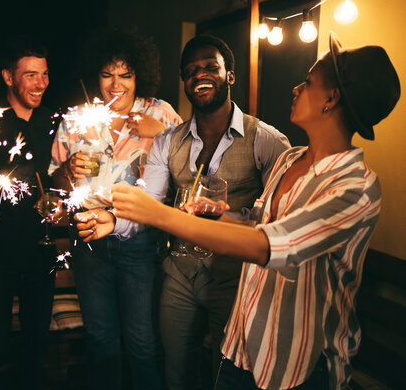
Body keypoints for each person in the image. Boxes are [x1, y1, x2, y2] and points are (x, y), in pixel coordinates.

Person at [83, 33, 400, 390]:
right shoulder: (290, 158)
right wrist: (222, 216)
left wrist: (158, 214)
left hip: (297, 360)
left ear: (332, 98)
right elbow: (259, 223)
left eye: (308, 82)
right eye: (190, 70)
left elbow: (271, 245)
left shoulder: (355, 187)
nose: (296, 88)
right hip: (245, 338)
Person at [75, 34, 290, 389]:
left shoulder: (267, 140)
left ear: (229, 75)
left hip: (233, 279)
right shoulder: (167, 141)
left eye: (210, 67)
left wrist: (231, 218)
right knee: (176, 374)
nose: (200, 75)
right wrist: (113, 220)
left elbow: (277, 220)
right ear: (183, 81)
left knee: (230, 375)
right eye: (191, 71)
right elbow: (151, 201)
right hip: (179, 276)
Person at [49, 29, 182, 390]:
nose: (115, 84)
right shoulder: (76, 119)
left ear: (140, 74)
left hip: (139, 243)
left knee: (142, 343)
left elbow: (189, 166)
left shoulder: (161, 113)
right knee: (100, 340)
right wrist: (66, 170)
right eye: (108, 74)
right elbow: (53, 188)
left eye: (125, 74)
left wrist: (162, 132)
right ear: (97, 75)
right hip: (88, 240)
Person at [0, 36, 59, 390]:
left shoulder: (54, 122)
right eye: (31, 75)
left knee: (37, 346)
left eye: (46, 74)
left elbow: (62, 178)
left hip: (42, 250)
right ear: (8, 77)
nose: (41, 84)